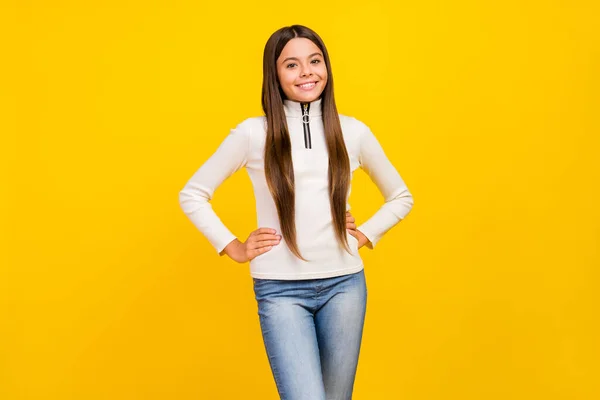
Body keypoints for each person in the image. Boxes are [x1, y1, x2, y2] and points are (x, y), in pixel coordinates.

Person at [179, 24, 414, 400]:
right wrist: (233, 246)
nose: (306, 72)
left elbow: (401, 196)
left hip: (345, 286)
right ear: (274, 74)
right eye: (292, 64)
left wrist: (366, 233)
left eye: (315, 61)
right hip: (279, 290)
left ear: (326, 68)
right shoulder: (253, 133)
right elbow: (193, 194)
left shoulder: (352, 131)